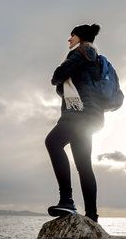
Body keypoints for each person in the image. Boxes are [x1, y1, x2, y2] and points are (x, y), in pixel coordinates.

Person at [45, 24, 104, 222]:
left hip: (79, 112)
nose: (69, 39)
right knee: (84, 165)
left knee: (52, 142)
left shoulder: (81, 51)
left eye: (72, 35)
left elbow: (57, 78)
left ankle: (67, 200)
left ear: (80, 37)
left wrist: (59, 77)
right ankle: (92, 216)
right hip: (92, 116)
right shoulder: (93, 56)